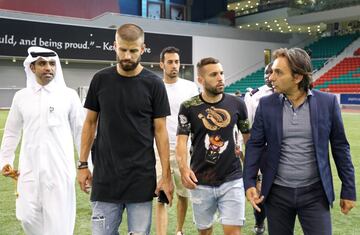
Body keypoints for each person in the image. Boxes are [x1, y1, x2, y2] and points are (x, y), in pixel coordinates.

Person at [244, 48, 356, 235]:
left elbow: (340, 147)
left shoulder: (327, 103)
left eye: (278, 72)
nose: (271, 78)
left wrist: (349, 189)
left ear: (297, 77)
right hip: (277, 194)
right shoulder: (266, 104)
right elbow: (255, 144)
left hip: (315, 194)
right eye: (272, 71)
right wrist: (249, 181)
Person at [77, 23, 174, 235]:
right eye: (122, 49)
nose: (127, 56)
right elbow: (90, 124)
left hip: (140, 178)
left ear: (142, 48)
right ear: (114, 46)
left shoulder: (154, 84)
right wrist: (82, 164)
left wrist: (166, 176)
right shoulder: (101, 79)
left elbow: (161, 132)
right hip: (105, 178)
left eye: (132, 50)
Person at [0, 46, 85, 235]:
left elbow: (81, 133)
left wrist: (86, 166)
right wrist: (5, 161)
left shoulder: (69, 95)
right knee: (26, 216)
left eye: (52, 64)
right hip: (29, 169)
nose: (48, 68)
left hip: (59, 170)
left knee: (59, 224)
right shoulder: (21, 97)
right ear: (32, 67)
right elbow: (12, 132)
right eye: (42, 63)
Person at [176, 57, 250, 235]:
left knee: (233, 232)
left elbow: (249, 140)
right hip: (200, 181)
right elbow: (181, 142)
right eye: (214, 74)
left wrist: (254, 172)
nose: (220, 78)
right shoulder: (188, 107)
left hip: (232, 179)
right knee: (205, 232)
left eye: (222, 73)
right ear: (200, 80)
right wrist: (184, 168)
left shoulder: (238, 104)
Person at [155, 46, 199, 235]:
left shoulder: (190, 87)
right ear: (161, 64)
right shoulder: (155, 87)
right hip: (159, 149)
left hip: (185, 149)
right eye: (170, 62)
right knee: (161, 194)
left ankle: (179, 230)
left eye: (177, 62)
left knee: (183, 193)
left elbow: (197, 117)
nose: (174, 66)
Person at [244, 62, 273, 235]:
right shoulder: (254, 95)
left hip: (282, 150)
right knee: (260, 189)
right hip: (261, 149)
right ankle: (259, 221)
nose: (270, 76)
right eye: (268, 72)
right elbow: (247, 126)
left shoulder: (287, 92)